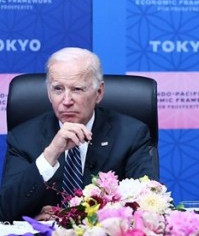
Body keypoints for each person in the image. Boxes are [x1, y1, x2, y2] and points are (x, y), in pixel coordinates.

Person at [0, 47, 159, 221]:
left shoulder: (131, 134)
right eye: (58, 89)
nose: (66, 101)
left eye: (77, 89)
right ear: (49, 93)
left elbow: (148, 204)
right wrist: (50, 154)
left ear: (98, 93)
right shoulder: (23, 137)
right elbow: (6, 211)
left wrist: (70, 218)